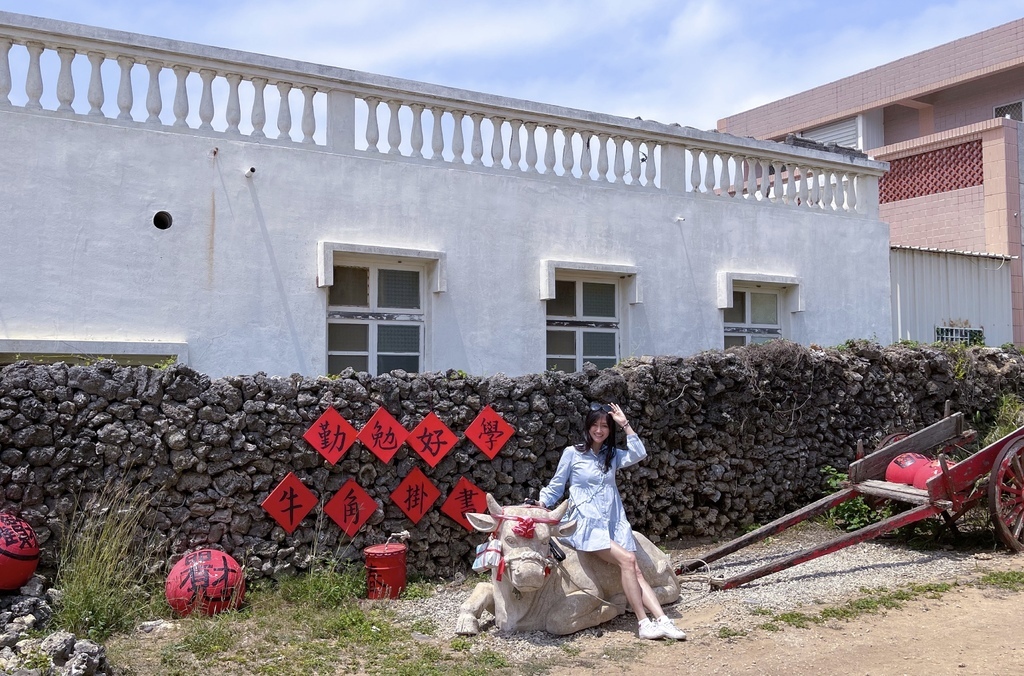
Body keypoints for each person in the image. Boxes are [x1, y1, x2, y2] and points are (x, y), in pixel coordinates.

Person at [537, 402, 686, 641]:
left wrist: (624, 423)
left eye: (604, 426)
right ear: (587, 427)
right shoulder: (572, 453)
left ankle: (663, 620)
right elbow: (555, 487)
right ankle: (643, 623)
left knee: (636, 569)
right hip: (585, 524)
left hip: (613, 521)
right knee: (628, 560)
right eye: (595, 425)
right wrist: (541, 504)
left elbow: (639, 453)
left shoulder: (611, 455)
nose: (599, 430)